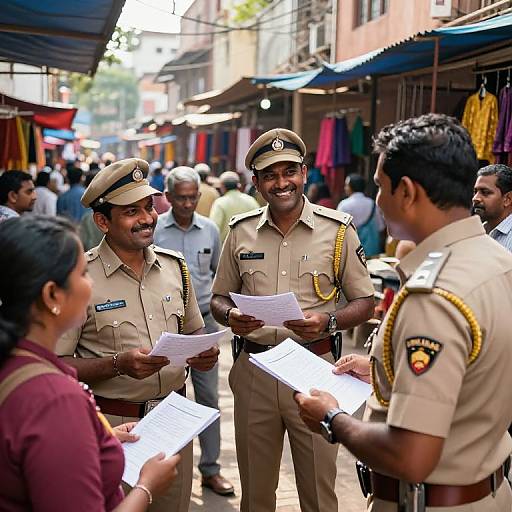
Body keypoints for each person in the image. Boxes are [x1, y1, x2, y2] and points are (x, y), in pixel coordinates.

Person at [295, 114, 512, 511]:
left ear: (407, 192)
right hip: (488, 490)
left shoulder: (434, 298)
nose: (378, 200)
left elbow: (412, 454)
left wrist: (331, 418)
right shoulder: (497, 261)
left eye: (380, 186)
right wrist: (382, 367)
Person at [210, 128, 375, 512]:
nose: (281, 183)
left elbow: (365, 301)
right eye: (270, 175)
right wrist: (231, 315)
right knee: (255, 492)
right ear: (256, 182)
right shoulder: (241, 232)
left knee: (318, 490)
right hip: (255, 369)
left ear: (304, 173)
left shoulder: (338, 232)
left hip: (316, 368)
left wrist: (329, 322)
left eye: (289, 172)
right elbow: (217, 298)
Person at [56, 158, 219, 512]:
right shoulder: (80, 276)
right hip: (114, 428)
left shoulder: (175, 267)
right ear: (102, 221)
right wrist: (118, 364)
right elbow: (56, 365)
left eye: (149, 207)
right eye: (132, 211)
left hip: (175, 420)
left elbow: (195, 332)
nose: (147, 218)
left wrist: (205, 352)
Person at [0, 215, 180, 511]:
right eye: (83, 274)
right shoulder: (56, 401)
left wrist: (99, 437)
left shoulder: (18, 361)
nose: (92, 282)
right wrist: (147, 487)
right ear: (52, 295)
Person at [153, 166, 234, 496]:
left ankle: (210, 470)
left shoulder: (210, 230)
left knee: (209, 397)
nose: (187, 204)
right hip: (163, 325)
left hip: (202, 323)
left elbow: (218, 275)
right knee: (166, 395)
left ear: (199, 197)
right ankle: (165, 467)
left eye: (192, 198)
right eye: (181, 198)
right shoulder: (155, 230)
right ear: (168, 197)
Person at [337, 173, 385, 257]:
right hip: (372, 251)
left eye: (346, 185)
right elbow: (381, 227)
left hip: (351, 253)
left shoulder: (344, 205)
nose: (345, 188)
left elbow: (337, 229)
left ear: (351, 187)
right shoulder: (373, 204)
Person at [210, 171, 260, 242]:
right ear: (238, 185)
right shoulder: (251, 201)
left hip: (226, 248)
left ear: (222, 187)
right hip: (249, 248)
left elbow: (214, 227)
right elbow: (259, 224)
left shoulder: (220, 203)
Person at [472, 164, 512, 251]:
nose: (475, 198)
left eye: (485, 192)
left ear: (507, 199)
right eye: (475, 192)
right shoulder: (476, 232)